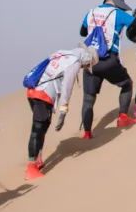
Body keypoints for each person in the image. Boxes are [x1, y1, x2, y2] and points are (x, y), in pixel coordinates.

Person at [24, 47, 95, 180]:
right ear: (86, 59)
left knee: (42, 127)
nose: (83, 68)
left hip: (32, 90)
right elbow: (66, 88)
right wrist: (63, 111)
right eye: (86, 65)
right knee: (38, 129)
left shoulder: (61, 53)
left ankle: (38, 160)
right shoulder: (74, 62)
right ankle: (31, 168)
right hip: (43, 94)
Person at [79, 0, 136, 137]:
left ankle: (87, 133)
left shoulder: (91, 12)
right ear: (118, 2)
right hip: (108, 60)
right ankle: (123, 117)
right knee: (126, 84)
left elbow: (83, 32)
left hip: (90, 61)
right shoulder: (119, 13)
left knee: (88, 98)